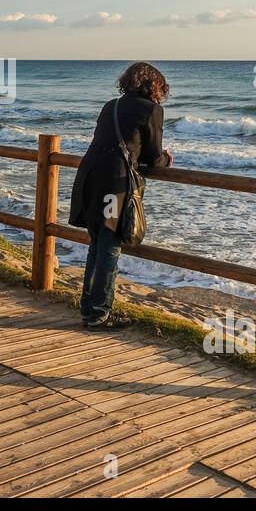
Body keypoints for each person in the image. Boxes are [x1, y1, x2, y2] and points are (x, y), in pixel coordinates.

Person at [68, 61, 173, 330]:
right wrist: (166, 159)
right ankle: (98, 314)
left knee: (97, 242)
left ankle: (89, 309)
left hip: (89, 175)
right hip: (114, 183)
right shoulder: (152, 110)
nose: (161, 94)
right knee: (110, 245)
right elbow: (153, 155)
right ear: (154, 86)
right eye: (160, 89)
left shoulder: (110, 106)